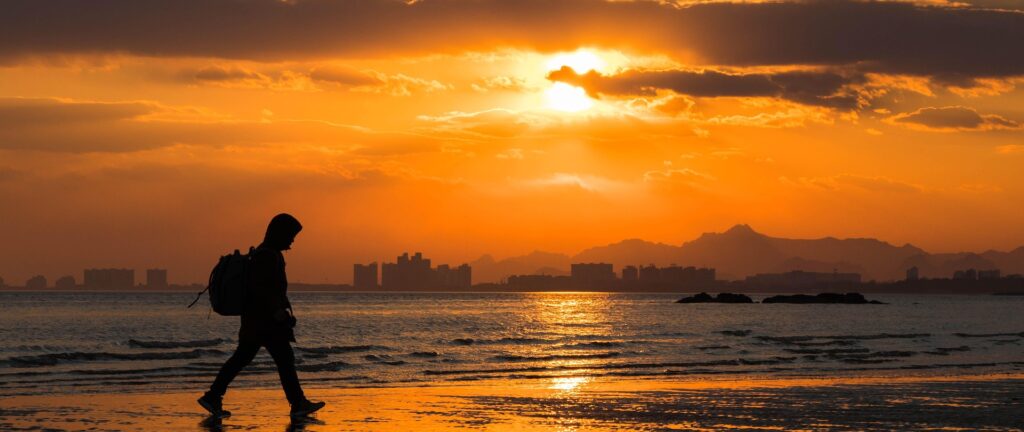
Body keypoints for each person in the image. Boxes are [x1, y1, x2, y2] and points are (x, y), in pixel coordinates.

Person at [198, 213, 326, 418]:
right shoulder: (267, 256)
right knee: (283, 359)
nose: (292, 240)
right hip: (265, 323)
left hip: (257, 322)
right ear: (280, 233)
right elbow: (261, 289)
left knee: (244, 358)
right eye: (291, 235)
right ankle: (298, 404)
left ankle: (213, 396)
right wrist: (278, 312)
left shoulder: (267, 253)